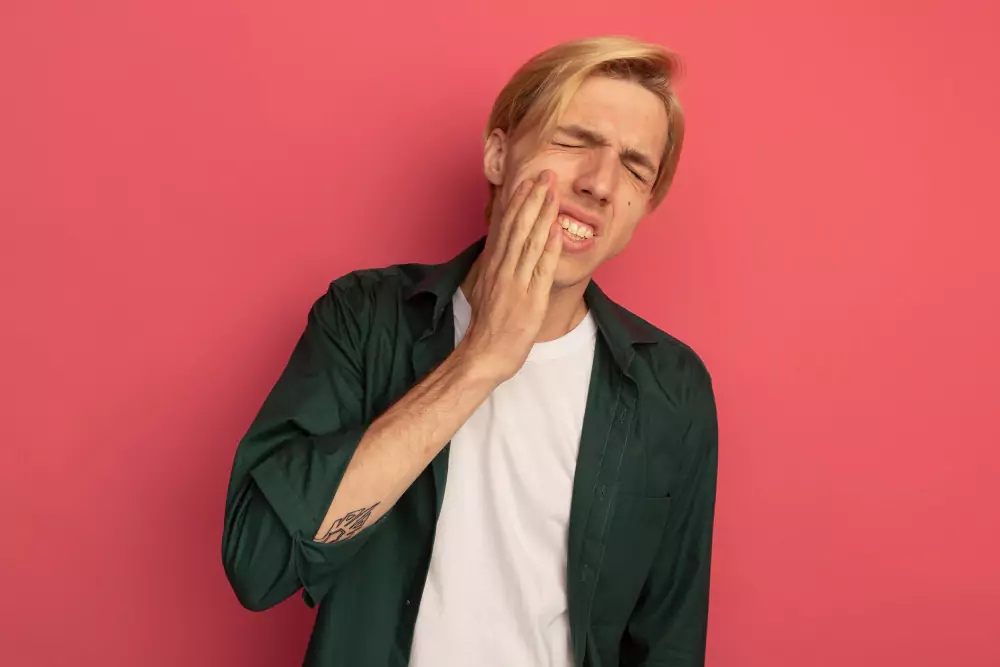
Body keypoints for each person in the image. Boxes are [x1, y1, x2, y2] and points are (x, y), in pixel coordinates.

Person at [222, 35, 719, 667]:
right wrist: (480, 359)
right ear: (498, 155)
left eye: (634, 167)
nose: (599, 182)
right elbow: (259, 563)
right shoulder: (364, 318)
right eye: (573, 141)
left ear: (644, 205)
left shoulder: (671, 389)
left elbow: (668, 644)